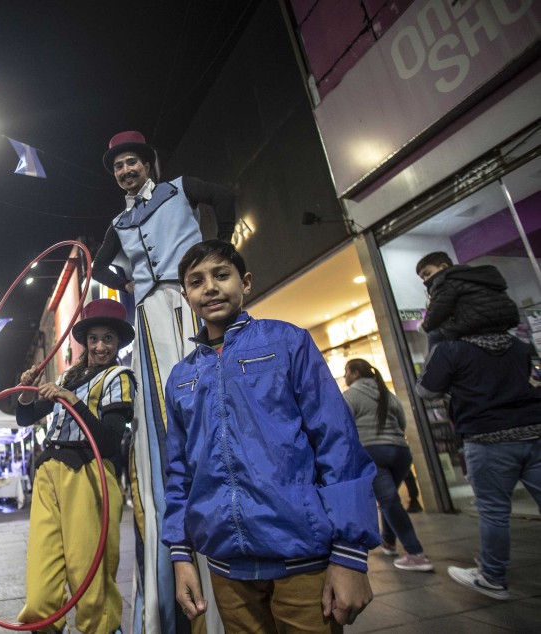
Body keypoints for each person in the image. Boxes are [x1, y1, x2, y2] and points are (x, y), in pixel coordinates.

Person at [164, 239, 379, 632]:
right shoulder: (181, 376)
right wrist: (181, 556)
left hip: (301, 557)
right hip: (226, 567)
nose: (210, 287)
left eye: (221, 275)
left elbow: (337, 443)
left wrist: (351, 553)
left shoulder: (288, 342)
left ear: (245, 282)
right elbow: (179, 472)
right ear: (186, 295)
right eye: (196, 281)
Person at [91, 130, 237, 633]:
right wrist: (126, 282)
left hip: (188, 300)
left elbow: (225, 196)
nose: (126, 171)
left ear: (147, 163)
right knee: (161, 416)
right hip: (151, 315)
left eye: (132, 162)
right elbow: (98, 264)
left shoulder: (179, 188)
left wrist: (220, 247)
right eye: (118, 166)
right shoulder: (117, 223)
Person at [16, 298, 135, 633]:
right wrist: (27, 391)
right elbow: (25, 417)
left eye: (108, 338)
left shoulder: (118, 377)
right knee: (40, 590)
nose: (99, 346)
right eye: (93, 338)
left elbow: (109, 442)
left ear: (118, 342)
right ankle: (44, 624)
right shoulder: (68, 376)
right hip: (48, 474)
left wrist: (75, 403)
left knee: (90, 580)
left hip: (88, 474)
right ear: (85, 341)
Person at [417, 327, 541, 600]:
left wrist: (436, 341)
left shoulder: (452, 349)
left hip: (487, 435)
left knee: (494, 511)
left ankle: (493, 577)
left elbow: (426, 390)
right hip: (533, 430)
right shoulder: (515, 343)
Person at [342, 359, 433, 572]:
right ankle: (389, 542)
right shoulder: (387, 394)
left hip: (373, 452)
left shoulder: (350, 396)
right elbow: (402, 422)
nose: (345, 376)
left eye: (347, 371)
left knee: (389, 501)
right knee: (389, 499)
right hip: (400, 452)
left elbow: (344, 425)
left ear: (355, 373)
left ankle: (415, 553)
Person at [416, 251, 520, 344]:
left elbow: (438, 310)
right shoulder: (473, 276)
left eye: (427, 273)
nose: (425, 279)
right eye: (422, 278)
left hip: (476, 323)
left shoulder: (444, 281)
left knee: (434, 335)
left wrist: (424, 327)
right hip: (504, 320)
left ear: (443, 267)